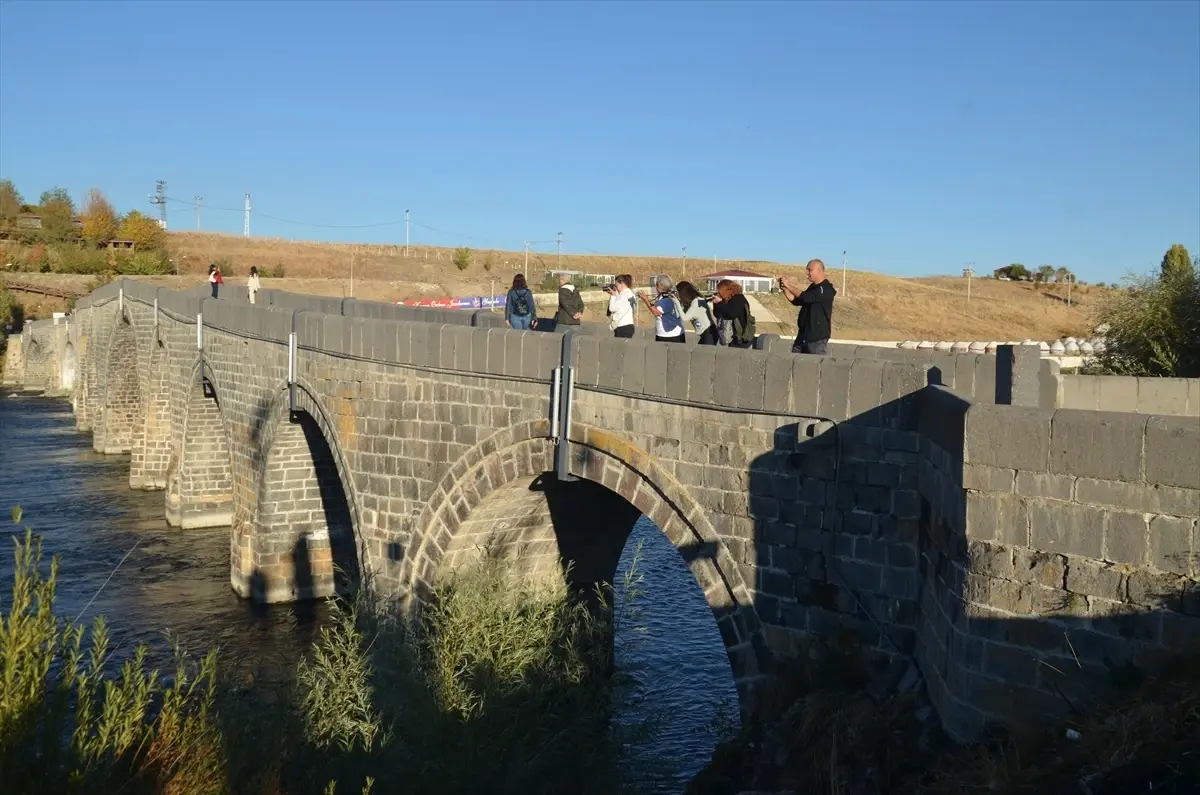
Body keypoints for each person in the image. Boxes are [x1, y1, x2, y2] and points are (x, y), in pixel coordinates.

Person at [780, 259, 836, 355]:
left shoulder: (825, 289)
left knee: (813, 367)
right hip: (802, 336)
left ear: (819, 270)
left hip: (816, 339)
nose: (808, 273)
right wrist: (785, 288)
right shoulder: (812, 288)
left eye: (810, 270)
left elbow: (805, 297)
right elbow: (797, 300)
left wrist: (789, 285)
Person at [639, 274, 685, 343]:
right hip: (669, 333)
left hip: (670, 336)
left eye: (656, 283)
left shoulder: (666, 299)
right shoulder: (669, 295)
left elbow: (656, 312)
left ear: (659, 285)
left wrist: (646, 300)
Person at [710, 278, 755, 348]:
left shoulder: (738, 298)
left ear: (726, 289)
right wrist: (716, 304)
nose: (718, 292)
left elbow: (731, 314)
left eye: (719, 290)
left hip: (741, 337)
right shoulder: (727, 299)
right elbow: (717, 314)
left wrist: (720, 303)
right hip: (731, 336)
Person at [676, 280, 717, 345]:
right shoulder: (691, 302)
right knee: (699, 353)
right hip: (705, 333)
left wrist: (676, 302)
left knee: (703, 354)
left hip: (709, 333)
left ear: (683, 293)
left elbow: (685, 318)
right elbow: (678, 315)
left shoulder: (696, 302)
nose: (678, 296)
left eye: (678, 293)